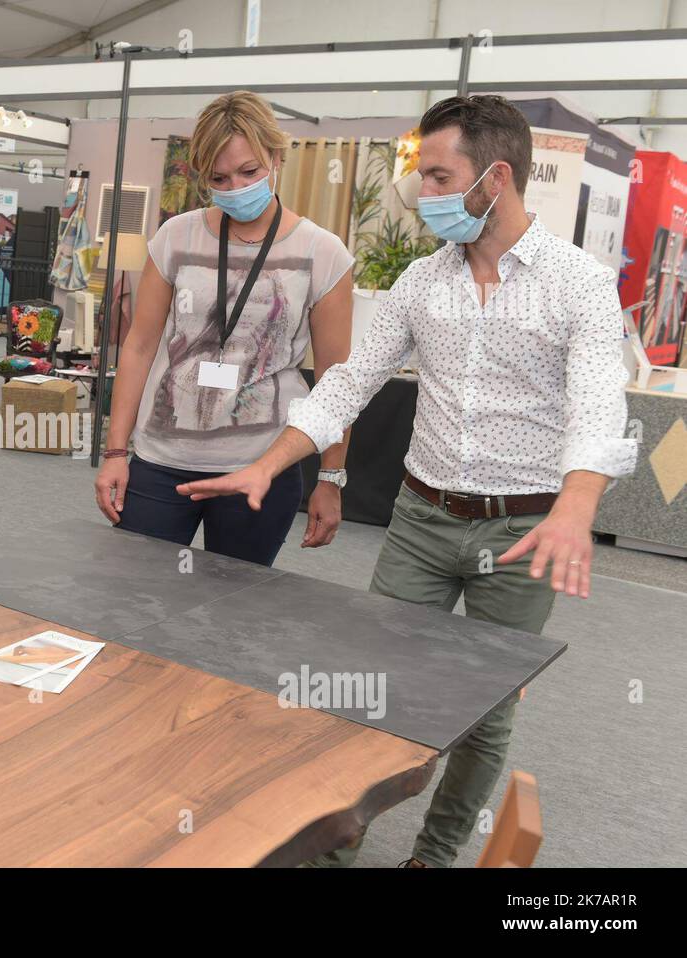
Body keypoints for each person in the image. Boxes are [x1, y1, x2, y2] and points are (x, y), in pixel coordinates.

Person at [176, 95, 638, 867]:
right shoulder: (424, 281)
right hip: (421, 521)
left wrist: (574, 508)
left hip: (521, 533)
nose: (423, 194)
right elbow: (350, 379)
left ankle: (436, 852)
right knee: (370, 693)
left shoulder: (578, 284)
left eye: (436, 176)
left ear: (494, 178)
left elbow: (599, 405)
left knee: (483, 716)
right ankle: (334, 847)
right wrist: (268, 462)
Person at [94, 90, 355, 566]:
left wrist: (330, 478)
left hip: (261, 467)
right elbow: (138, 347)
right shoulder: (176, 236)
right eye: (219, 178)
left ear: (277, 157)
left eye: (249, 172)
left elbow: (338, 381)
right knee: (131, 593)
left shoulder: (324, 253)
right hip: (161, 459)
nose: (235, 187)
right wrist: (115, 451)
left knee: (230, 617)